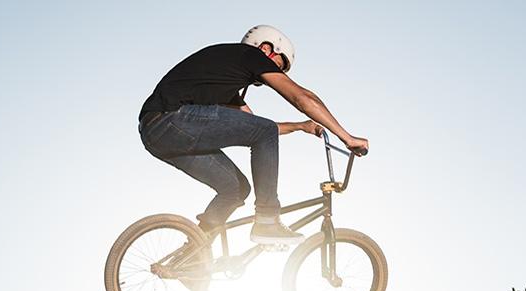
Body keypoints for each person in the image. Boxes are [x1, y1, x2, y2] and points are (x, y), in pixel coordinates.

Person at [138, 25, 369, 245]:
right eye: (278, 66)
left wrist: (301, 126)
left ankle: (194, 254)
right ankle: (267, 220)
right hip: (169, 117)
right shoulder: (250, 55)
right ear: (266, 49)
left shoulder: (226, 82)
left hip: (157, 134)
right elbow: (302, 98)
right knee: (264, 131)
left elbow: (256, 126)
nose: (277, 74)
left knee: (236, 189)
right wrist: (346, 137)